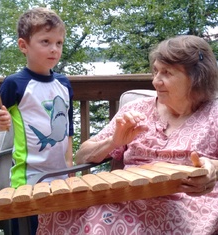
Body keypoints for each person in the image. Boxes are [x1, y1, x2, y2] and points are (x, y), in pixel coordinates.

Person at [37, 34, 218, 235]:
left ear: (196, 78)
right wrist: (113, 142)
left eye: (166, 73)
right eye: (156, 71)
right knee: (56, 210)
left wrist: (213, 169)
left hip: (186, 204)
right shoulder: (136, 109)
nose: (156, 81)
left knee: (105, 218)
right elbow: (82, 156)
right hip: (127, 195)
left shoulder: (214, 114)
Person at [0, 7, 74, 235]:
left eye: (59, 43)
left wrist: (70, 168)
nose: (54, 49)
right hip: (28, 178)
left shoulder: (64, 84)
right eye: (45, 41)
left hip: (60, 177)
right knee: (27, 230)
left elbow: (68, 129)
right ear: (23, 46)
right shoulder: (16, 83)